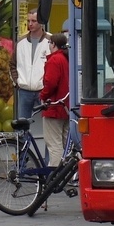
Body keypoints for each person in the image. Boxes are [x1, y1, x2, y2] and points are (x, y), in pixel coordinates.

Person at [10, 10, 52, 119]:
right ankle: (24, 137)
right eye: (28, 21)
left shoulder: (50, 40)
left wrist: (47, 85)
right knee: (22, 123)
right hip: (24, 90)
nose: (30, 24)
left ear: (41, 22)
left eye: (34, 21)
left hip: (43, 89)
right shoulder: (21, 41)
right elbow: (12, 64)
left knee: (48, 121)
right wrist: (17, 82)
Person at [40, 32, 71, 166]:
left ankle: (55, 177)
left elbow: (51, 82)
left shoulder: (54, 60)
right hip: (66, 106)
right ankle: (69, 175)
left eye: (49, 43)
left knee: (54, 144)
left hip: (53, 106)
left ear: (53, 44)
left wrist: (43, 95)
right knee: (66, 143)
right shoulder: (67, 58)